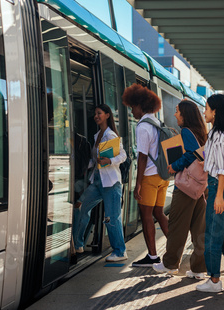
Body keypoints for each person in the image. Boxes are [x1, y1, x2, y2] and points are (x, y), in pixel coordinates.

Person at [152, 100, 208, 278]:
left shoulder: (186, 131)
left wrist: (174, 166)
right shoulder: (201, 132)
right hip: (201, 186)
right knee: (199, 228)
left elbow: (191, 153)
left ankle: (169, 264)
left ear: (185, 114)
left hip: (186, 187)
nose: (175, 114)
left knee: (177, 225)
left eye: (177, 111)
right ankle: (199, 269)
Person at [72, 104, 128, 262]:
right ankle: (78, 244)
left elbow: (123, 155)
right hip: (96, 181)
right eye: (95, 113)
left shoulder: (110, 135)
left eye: (99, 113)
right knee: (81, 206)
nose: (96, 116)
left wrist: (110, 160)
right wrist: (82, 165)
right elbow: (94, 160)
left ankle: (120, 251)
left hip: (110, 182)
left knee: (112, 217)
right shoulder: (97, 135)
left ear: (107, 115)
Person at [122, 83, 169, 267]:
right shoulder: (157, 122)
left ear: (141, 106)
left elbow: (142, 157)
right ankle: (175, 248)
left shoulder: (142, 126)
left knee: (147, 215)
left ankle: (152, 256)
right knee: (159, 212)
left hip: (149, 177)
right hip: (163, 176)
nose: (132, 111)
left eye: (133, 107)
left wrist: (138, 184)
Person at [196, 93, 224, 293]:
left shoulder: (221, 136)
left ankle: (214, 281)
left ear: (215, 111)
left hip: (222, 188)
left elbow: (223, 170)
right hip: (219, 187)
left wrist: (219, 194)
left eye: (206, 108)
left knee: (213, 236)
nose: (204, 112)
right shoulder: (217, 134)